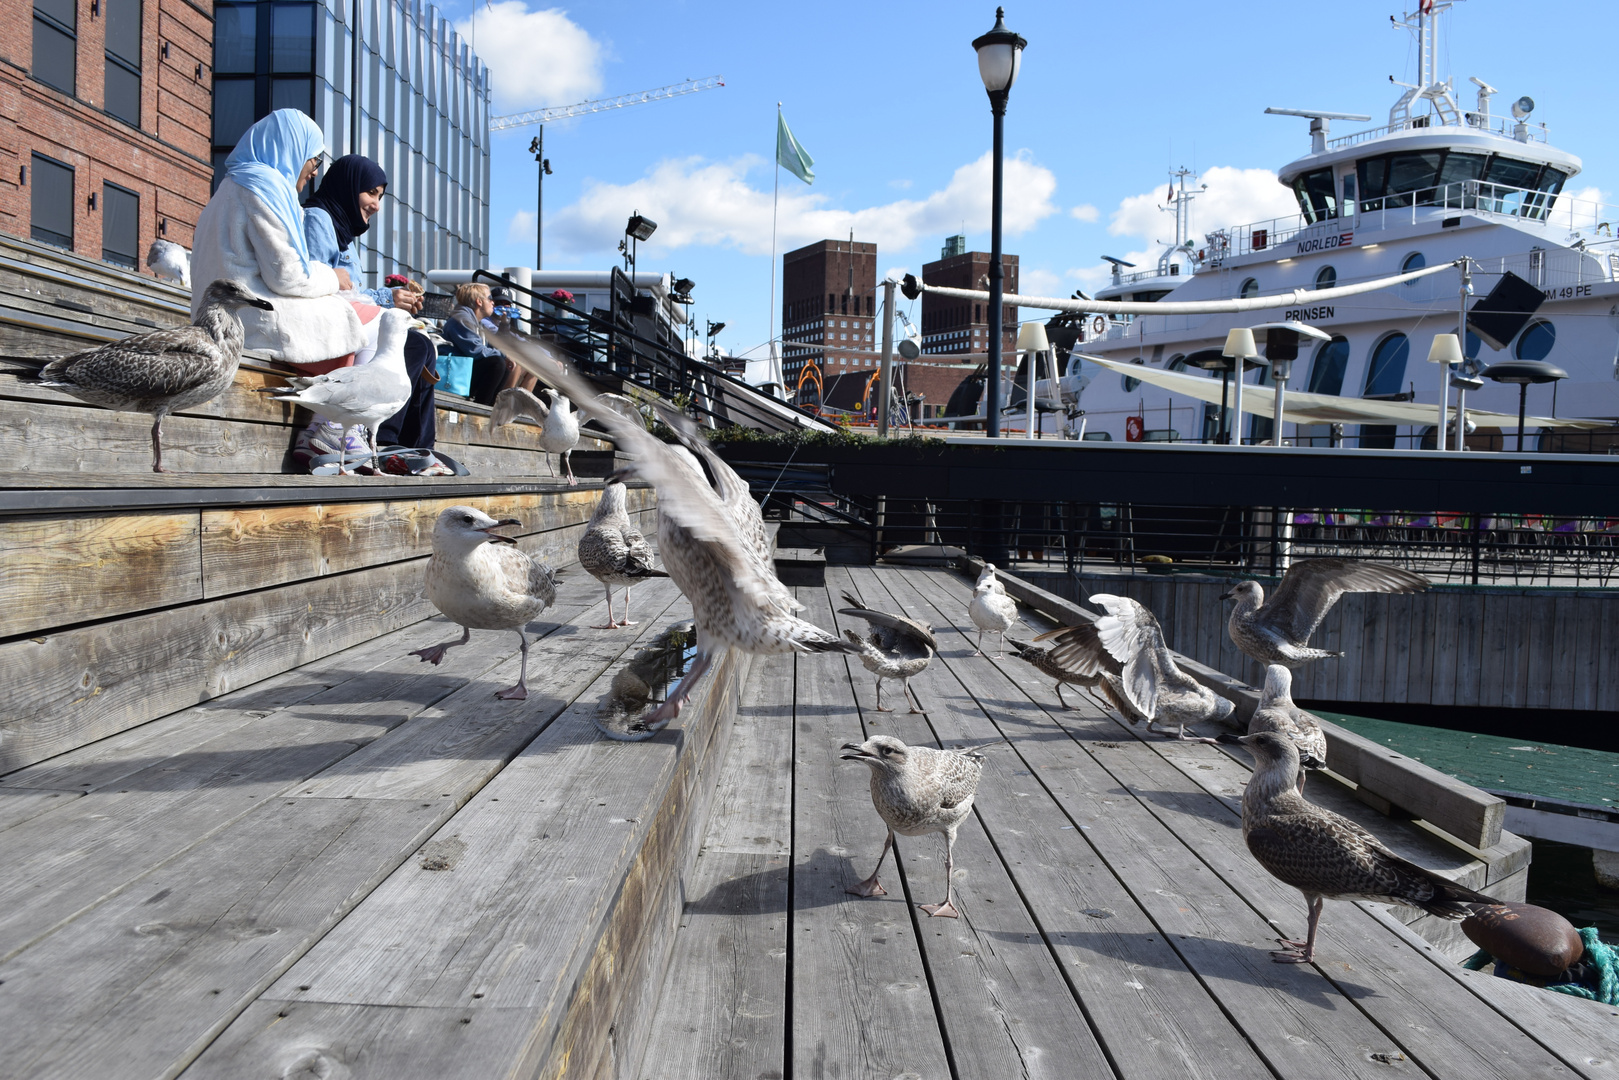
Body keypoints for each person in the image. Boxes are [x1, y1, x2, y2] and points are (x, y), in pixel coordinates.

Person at [190, 110, 365, 365]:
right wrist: (333, 278)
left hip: (223, 320)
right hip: (252, 325)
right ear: (294, 149)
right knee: (364, 321)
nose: (315, 172)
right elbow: (287, 276)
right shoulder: (264, 189)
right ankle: (327, 404)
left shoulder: (229, 189)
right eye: (314, 159)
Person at [301, 155, 436, 449]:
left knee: (422, 345)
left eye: (380, 196)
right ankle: (384, 441)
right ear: (348, 187)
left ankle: (418, 448)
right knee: (414, 345)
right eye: (371, 193)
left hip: (349, 321)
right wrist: (386, 300)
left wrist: (389, 299)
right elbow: (316, 280)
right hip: (324, 329)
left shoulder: (343, 233)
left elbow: (352, 290)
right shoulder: (318, 219)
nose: (376, 205)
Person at [444, 282, 534, 404]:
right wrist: (504, 355)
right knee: (496, 362)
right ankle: (483, 406)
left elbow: (494, 346)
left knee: (502, 362)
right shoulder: (462, 318)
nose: (493, 302)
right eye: (490, 298)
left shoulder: (473, 320)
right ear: (479, 302)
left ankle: (492, 405)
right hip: (455, 374)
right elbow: (475, 351)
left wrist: (504, 324)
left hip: (464, 370)